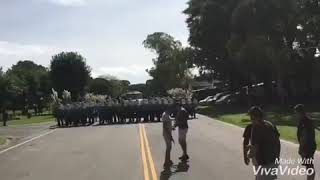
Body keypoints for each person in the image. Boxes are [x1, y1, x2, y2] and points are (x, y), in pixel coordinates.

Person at [248, 106, 281, 180]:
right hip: (274, 161)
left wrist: (249, 155)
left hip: (263, 164)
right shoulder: (270, 124)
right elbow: (277, 142)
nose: (250, 119)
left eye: (251, 117)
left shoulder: (256, 127)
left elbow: (255, 148)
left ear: (253, 116)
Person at [294, 104, 319, 180]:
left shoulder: (304, 122)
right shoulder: (306, 120)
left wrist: (302, 149)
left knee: (309, 166)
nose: (296, 115)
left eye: (296, 113)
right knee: (309, 165)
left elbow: (305, 137)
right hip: (310, 146)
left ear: (300, 112)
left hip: (307, 147)